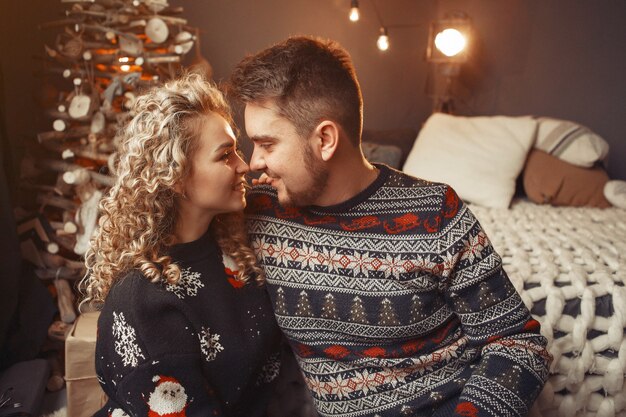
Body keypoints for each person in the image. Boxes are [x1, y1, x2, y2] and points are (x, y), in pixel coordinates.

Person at [228, 36, 552, 417]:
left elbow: (517, 343)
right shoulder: (260, 210)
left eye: (267, 144)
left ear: (325, 139)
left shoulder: (434, 213)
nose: (252, 163)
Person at [82, 73, 282, 417]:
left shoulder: (232, 246)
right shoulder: (143, 302)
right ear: (175, 176)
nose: (244, 166)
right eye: (225, 156)